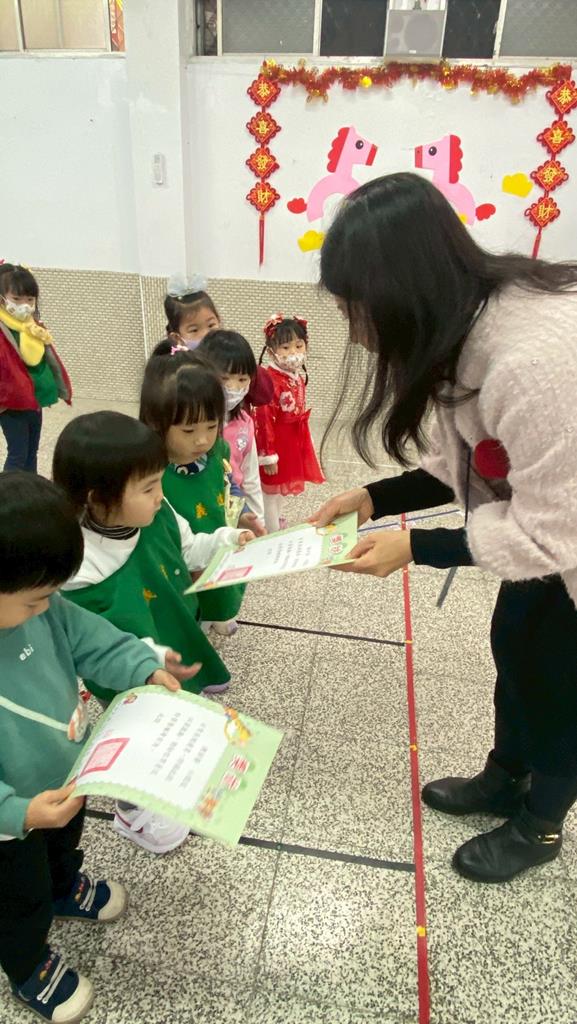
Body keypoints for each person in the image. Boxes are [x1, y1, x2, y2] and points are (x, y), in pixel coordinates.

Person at [310, 171, 577, 884]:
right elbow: (471, 457)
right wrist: (373, 498)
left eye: (356, 309)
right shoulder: (474, 323)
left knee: (561, 689)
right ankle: (505, 776)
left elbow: (549, 535)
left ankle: (541, 825)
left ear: (402, 293)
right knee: (516, 647)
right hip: (554, 524)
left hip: (565, 533)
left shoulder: (530, 365)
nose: (355, 331)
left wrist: (414, 548)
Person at [0, 471, 181, 1022]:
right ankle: (28, 965)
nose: (46, 609)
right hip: (11, 819)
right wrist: (16, 811)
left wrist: (143, 668)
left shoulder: (42, 606)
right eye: (35, 600)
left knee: (64, 844)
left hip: (66, 778)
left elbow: (92, 639)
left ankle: (63, 885)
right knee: (17, 897)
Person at [53, 411, 252, 853]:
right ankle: (133, 810)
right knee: (141, 736)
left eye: (159, 482)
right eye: (148, 488)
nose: (161, 496)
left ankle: (179, 781)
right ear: (97, 499)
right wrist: (146, 659)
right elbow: (93, 642)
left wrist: (226, 540)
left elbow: (190, 547)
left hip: (175, 638)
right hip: (128, 673)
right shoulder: (78, 564)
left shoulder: (158, 515)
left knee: (182, 714)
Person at [140, 349, 251, 636]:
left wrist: (244, 514)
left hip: (217, 536)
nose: (202, 440)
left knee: (220, 589)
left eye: (212, 426)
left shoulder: (217, 451)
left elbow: (229, 485)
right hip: (179, 560)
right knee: (189, 610)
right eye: (188, 431)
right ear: (156, 421)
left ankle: (218, 615)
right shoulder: (150, 474)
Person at [254, 314, 325, 533]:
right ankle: (270, 531)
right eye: (285, 347)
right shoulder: (269, 379)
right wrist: (268, 454)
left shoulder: (295, 376)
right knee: (270, 491)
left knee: (281, 488)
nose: (293, 352)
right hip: (276, 440)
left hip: (292, 439)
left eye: (298, 345)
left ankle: (277, 521)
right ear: (271, 350)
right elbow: (263, 417)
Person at [0, 263, 71, 472]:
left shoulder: (33, 327)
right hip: (11, 404)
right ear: (2, 299)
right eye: (16, 299)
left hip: (34, 399)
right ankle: (9, 491)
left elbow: (46, 361)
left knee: (32, 452)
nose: (24, 305)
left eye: (30, 299)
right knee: (18, 453)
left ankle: (31, 490)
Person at [163, 273, 273, 407]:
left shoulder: (229, 354)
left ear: (219, 322)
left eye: (211, 325)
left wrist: (243, 366)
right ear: (177, 338)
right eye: (194, 330)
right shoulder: (179, 369)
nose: (207, 334)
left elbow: (264, 395)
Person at [197, 329, 265, 532]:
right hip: (201, 510)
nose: (233, 387)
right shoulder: (193, 425)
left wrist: (258, 521)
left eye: (242, 380)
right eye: (224, 378)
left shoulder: (245, 423)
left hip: (235, 510)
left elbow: (251, 478)